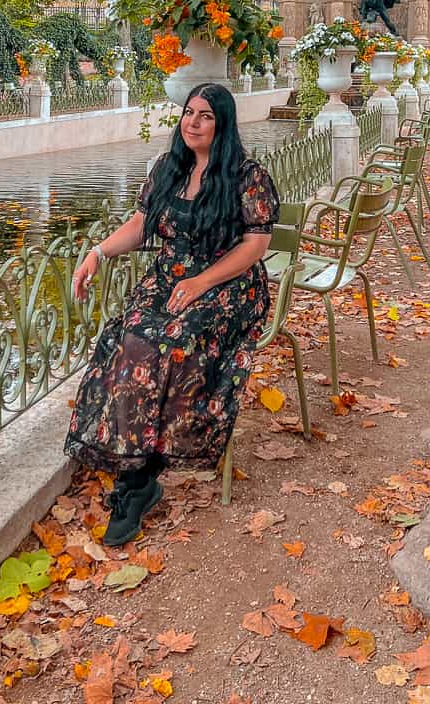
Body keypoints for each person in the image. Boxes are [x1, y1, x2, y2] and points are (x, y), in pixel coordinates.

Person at [66, 83, 279, 546]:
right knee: (127, 340)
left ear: (222, 125)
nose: (193, 123)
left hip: (227, 286)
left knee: (174, 344)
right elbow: (143, 225)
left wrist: (203, 282)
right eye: (188, 113)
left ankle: (139, 478)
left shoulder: (246, 176)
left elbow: (256, 245)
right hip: (169, 279)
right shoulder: (169, 169)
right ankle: (139, 475)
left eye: (205, 116)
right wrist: (97, 253)